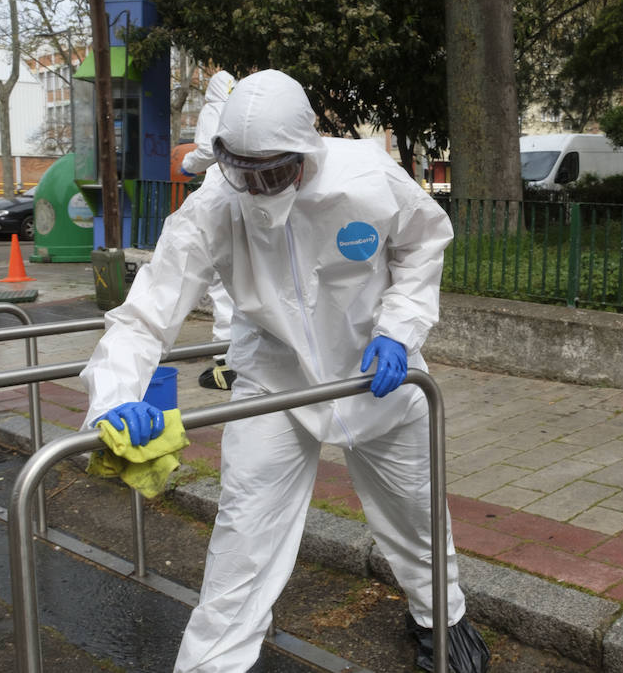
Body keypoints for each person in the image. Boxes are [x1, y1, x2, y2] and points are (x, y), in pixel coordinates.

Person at [81, 69, 489, 673]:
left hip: (374, 372)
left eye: (270, 172)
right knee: (245, 532)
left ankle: (441, 617)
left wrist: (400, 331)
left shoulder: (368, 180)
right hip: (276, 382)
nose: (256, 189)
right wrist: (116, 395)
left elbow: (424, 241)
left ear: (305, 153)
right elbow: (145, 315)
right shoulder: (214, 208)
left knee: (415, 510)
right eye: (240, 172)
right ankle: (212, 664)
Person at [179, 69, 238, 390]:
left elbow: (206, 150)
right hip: (248, 200)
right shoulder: (242, 111)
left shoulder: (213, 110)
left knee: (221, 283)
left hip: (219, 202)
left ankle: (225, 364)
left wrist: (186, 165)